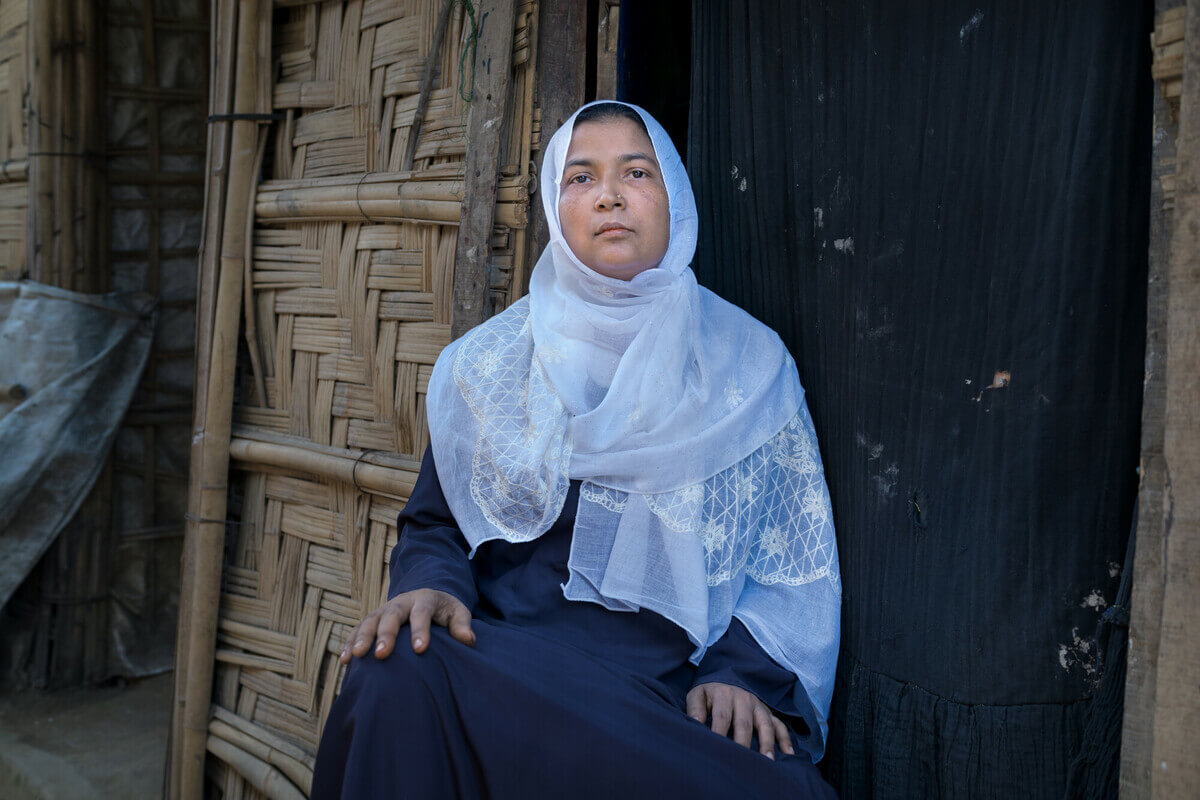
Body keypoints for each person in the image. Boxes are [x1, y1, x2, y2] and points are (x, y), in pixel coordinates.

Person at [311, 101, 841, 799]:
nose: (610, 196)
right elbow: (438, 524)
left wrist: (741, 674)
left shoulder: (751, 367)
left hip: (662, 698)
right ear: (555, 207)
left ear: (675, 195)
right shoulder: (492, 365)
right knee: (394, 674)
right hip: (504, 666)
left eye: (637, 173)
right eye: (580, 177)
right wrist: (431, 585)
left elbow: (790, 562)